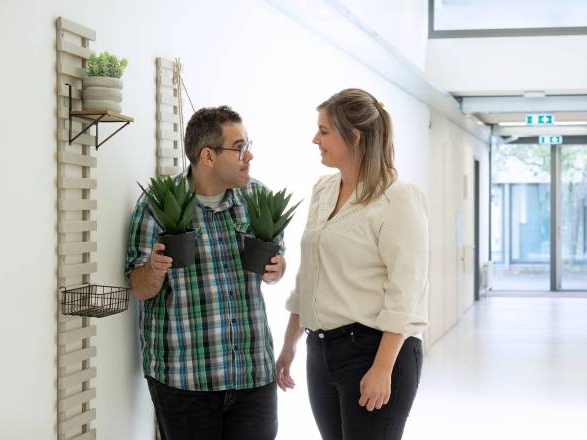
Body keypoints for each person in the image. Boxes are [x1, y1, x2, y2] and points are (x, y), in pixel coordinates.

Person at [276, 89, 428, 440]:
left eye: (324, 130)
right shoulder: (324, 189)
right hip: (322, 349)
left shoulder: (398, 199)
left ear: (354, 136)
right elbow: (309, 275)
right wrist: (289, 344)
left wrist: (382, 367)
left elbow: (406, 290)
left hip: (375, 351)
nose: (315, 139)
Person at [126, 105, 285, 440]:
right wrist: (154, 271)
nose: (249, 155)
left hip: (252, 374)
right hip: (185, 381)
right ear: (208, 156)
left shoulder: (257, 197)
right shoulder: (157, 204)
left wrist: (278, 268)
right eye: (239, 147)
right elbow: (138, 288)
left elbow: (275, 264)